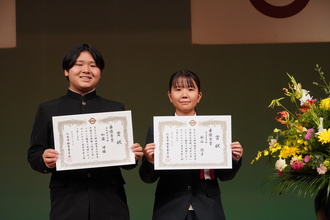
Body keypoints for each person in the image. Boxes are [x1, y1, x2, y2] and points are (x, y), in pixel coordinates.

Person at [28, 44, 143, 220]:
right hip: (68, 200)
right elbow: (34, 153)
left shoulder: (115, 108)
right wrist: (44, 159)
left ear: (100, 72)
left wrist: (132, 155)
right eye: (79, 64)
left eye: (93, 65)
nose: (86, 70)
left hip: (110, 199)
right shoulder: (48, 109)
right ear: (66, 71)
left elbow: (126, 160)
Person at [139, 70, 243, 220]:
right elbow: (147, 178)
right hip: (170, 209)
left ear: (199, 96)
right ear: (170, 96)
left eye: (190, 89)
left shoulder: (214, 129)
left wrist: (234, 158)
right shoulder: (157, 130)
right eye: (178, 89)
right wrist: (150, 160)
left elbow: (225, 176)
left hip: (208, 209)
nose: (184, 95)